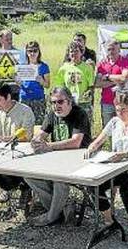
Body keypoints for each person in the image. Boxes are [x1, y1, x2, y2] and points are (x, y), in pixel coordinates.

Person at [85, 92, 128, 246]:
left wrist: (126, 154)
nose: (120, 113)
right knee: (93, 185)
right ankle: (110, 220)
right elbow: (99, 140)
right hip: (117, 169)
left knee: (125, 189)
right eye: (117, 110)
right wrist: (91, 147)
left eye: (124, 110)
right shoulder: (115, 122)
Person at [27, 87, 91, 226]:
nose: (56, 106)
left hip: (79, 159)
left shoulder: (79, 114)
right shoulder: (52, 114)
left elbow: (75, 142)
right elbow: (42, 135)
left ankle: (51, 216)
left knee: (59, 179)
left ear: (70, 101)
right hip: (56, 158)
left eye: (60, 102)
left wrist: (49, 146)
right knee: (28, 174)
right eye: (53, 102)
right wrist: (36, 140)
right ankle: (64, 206)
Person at [56, 41, 95, 132]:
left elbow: (91, 86)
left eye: (76, 51)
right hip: (69, 103)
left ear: (81, 52)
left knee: (85, 127)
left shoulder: (87, 68)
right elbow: (60, 87)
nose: (74, 53)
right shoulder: (63, 68)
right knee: (69, 127)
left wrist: (88, 92)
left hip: (83, 103)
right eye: (71, 51)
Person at [96, 40, 128, 127]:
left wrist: (107, 77)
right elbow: (97, 84)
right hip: (106, 102)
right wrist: (117, 81)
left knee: (124, 128)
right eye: (109, 49)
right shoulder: (102, 64)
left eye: (113, 49)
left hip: (122, 102)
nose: (111, 52)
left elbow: (124, 78)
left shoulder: (126, 61)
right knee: (108, 129)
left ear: (119, 50)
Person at [19, 41, 50, 125]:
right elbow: (20, 84)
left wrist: (42, 81)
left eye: (35, 51)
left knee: (39, 124)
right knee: (24, 123)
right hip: (24, 99)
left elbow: (47, 85)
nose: (32, 53)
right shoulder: (22, 66)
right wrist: (17, 81)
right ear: (26, 52)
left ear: (39, 52)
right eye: (30, 51)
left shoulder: (44, 66)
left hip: (38, 99)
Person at [0, 29, 27, 101]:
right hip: (0, 89)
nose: (10, 41)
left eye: (11, 39)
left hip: (15, 89)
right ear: (0, 39)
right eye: (7, 39)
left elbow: (24, 71)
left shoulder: (19, 54)